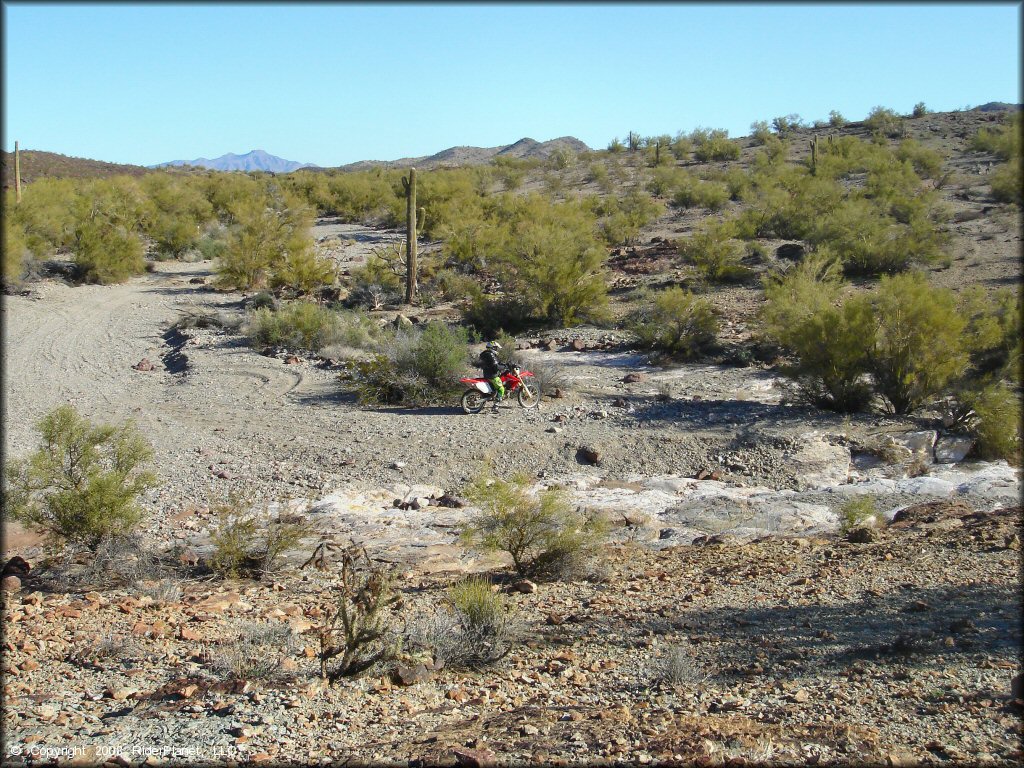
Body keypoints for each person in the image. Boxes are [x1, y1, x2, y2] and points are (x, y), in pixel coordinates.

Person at [478, 341, 505, 407]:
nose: (496, 349)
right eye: (496, 348)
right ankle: (496, 405)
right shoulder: (491, 355)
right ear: (493, 348)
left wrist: (502, 364)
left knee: (496, 388)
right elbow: (496, 367)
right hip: (492, 376)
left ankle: (494, 395)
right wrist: (505, 367)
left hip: (486, 374)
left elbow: (494, 364)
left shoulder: (484, 354)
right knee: (501, 389)